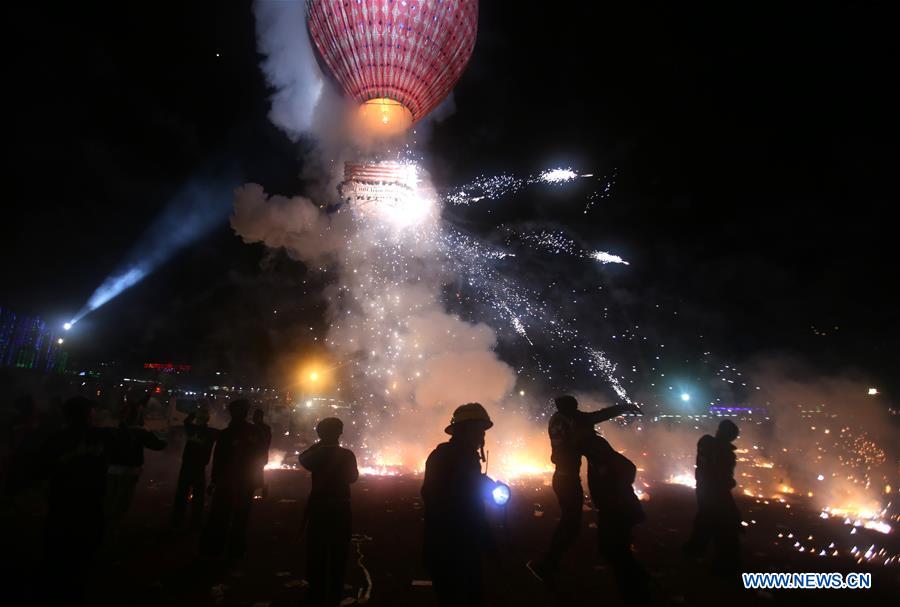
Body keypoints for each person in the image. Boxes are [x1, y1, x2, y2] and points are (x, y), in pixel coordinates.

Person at [528, 395, 639, 584]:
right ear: (572, 409)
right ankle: (546, 565)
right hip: (568, 480)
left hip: (561, 477)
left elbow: (591, 420)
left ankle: (549, 564)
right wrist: (624, 407)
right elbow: (598, 416)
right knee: (570, 525)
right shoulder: (574, 421)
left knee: (569, 523)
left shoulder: (557, 419)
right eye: (576, 408)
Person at [421, 403, 496, 607]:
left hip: (451, 542)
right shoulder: (450, 456)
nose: (482, 435)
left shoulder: (461, 456)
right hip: (452, 543)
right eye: (478, 429)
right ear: (464, 431)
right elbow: (437, 494)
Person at [40, 397, 110, 606]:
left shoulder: (55, 438)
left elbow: (40, 469)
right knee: (82, 561)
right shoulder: (100, 437)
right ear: (89, 414)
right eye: (92, 411)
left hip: (61, 505)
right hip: (88, 506)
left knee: (58, 559)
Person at [298, 417, 359, 606]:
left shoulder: (316, 455)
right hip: (341, 507)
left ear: (320, 433)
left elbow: (303, 458)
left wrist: (320, 445)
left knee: (317, 551)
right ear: (339, 432)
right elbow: (353, 478)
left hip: (319, 507)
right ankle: (335, 591)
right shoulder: (347, 455)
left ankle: (315, 593)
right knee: (339, 552)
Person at [586, 435, 650, 606]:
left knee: (617, 550)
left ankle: (636, 587)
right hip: (611, 510)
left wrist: (617, 492)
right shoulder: (594, 460)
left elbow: (630, 469)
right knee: (611, 549)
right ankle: (637, 583)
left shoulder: (609, 458)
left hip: (620, 511)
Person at [202, 399, 263, 561]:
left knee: (223, 516)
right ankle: (233, 550)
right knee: (238, 517)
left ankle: (217, 549)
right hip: (238, 482)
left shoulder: (228, 433)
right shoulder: (250, 432)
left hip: (231, 481)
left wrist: (214, 481)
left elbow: (219, 460)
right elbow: (259, 459)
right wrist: (259, 481)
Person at [105, 391, 166, 543]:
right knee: (121, 502)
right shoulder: (139, 432)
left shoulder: (115, 428)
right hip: (129, 471)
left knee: (109, 499)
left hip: (111, 469)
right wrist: (162, 437)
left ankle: (104, 528)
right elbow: (158, 445)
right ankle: (111, 532)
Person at [683, 419, 742, 575]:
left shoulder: (707, 443)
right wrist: (730, 483)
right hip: (716, 492)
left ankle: (695, 550)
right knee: (723, 525)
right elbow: (722, 476)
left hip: (703, 489)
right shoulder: (723, 452)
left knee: (705, 519)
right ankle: (722, 563)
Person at [171, 406, 219, 530]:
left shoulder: (207, 432)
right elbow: (186, 422)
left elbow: (186, 421)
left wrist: (195, 412)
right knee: (190, 495)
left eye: (201, 417)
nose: (200, 420)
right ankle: (184, 521)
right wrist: (197, 412)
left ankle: (188, 521)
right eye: (199, 417)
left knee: (191, 495)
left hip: (196, 466)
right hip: (191, 466)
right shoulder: (205, 431)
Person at [252, 408, 272, 496]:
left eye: (255, 416)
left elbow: (264, 442)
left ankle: (261, 486)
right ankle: (261, 486)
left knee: (256, 472)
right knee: (257, 472)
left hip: (258, 455)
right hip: (260, 455)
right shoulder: (266, 428)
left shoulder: (260, 428)